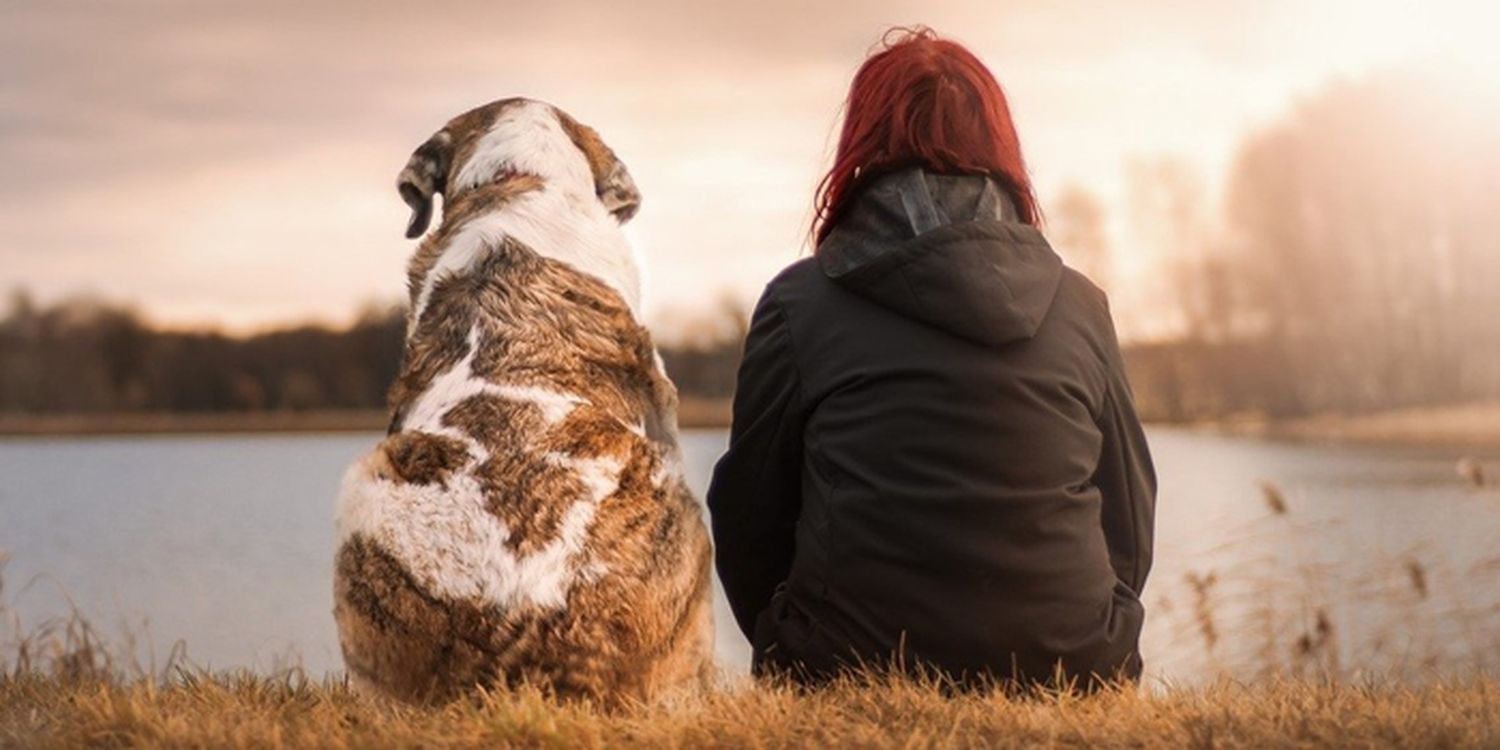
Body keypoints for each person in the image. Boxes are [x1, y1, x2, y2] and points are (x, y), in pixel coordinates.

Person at [705, 27, 1156, 689]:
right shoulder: (1080, 305)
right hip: (1074, 667)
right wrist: (1093, 630)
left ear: (861, 144)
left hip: (845, 666)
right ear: (1000, 146)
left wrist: (789, 638)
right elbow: (1130, 515)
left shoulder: (799, 304)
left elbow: (748, 515)